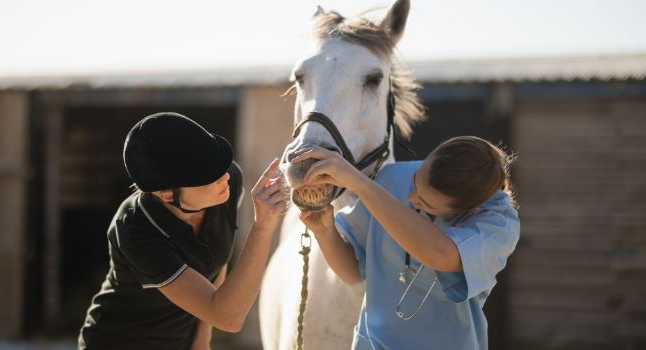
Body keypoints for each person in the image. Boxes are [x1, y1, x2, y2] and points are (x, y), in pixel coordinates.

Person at [78, 112, 285, 350]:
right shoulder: (135, 230)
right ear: (166, 194)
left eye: (219, 164)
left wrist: (201, 340)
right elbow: (227, 317)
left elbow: (217, 260)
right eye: (208, 176)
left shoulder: (227, 185)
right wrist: (262, 227)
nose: (224, 176)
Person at [295, 136, 520, 350]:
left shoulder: (498, 224)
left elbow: (440, 254)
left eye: (424, 202)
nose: (411, 197)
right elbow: (351, 273)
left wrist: (360, 184)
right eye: (414, 182)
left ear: (469, 210)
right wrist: (325, 231)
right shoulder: (391, 177)